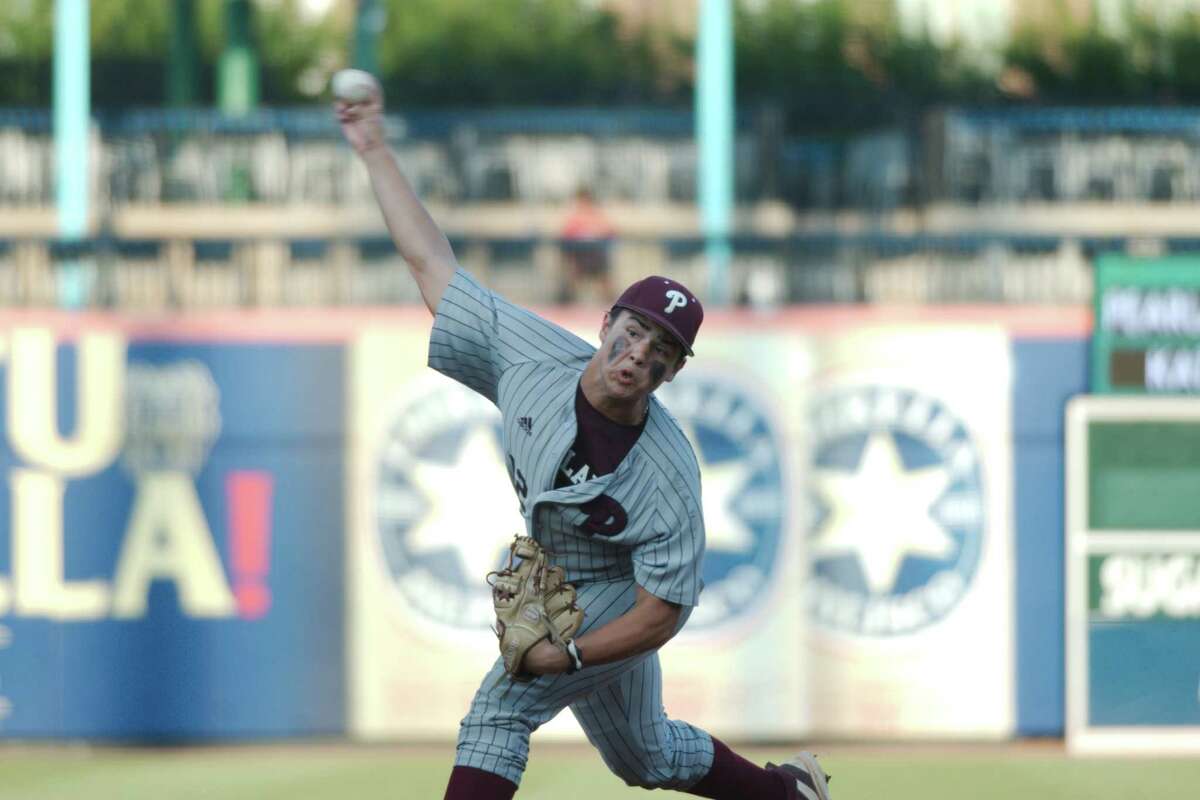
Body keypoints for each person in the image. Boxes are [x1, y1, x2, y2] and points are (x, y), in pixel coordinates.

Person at [336, 81, 832, 800]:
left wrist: (567, 654)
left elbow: (661, 613)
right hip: (561, 574)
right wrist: (376, 149)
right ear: (606, 325)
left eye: (660, 350)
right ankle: (789, 796)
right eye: (633, 332)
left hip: (620, 592)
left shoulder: (667, 475)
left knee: (498, 714)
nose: (638, 354)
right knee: (645, 755)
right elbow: (431, 265)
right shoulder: (529, 358)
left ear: (672, 372)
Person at [558, 186, 616, 303]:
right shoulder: (574, 216)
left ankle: (611, 301)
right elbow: (566, 233)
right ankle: (567, 300)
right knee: (573, 275)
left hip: (596, 254)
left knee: (604, 277)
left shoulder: (597, 214)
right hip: (579, 254)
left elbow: (609, 231)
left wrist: (594, 232)